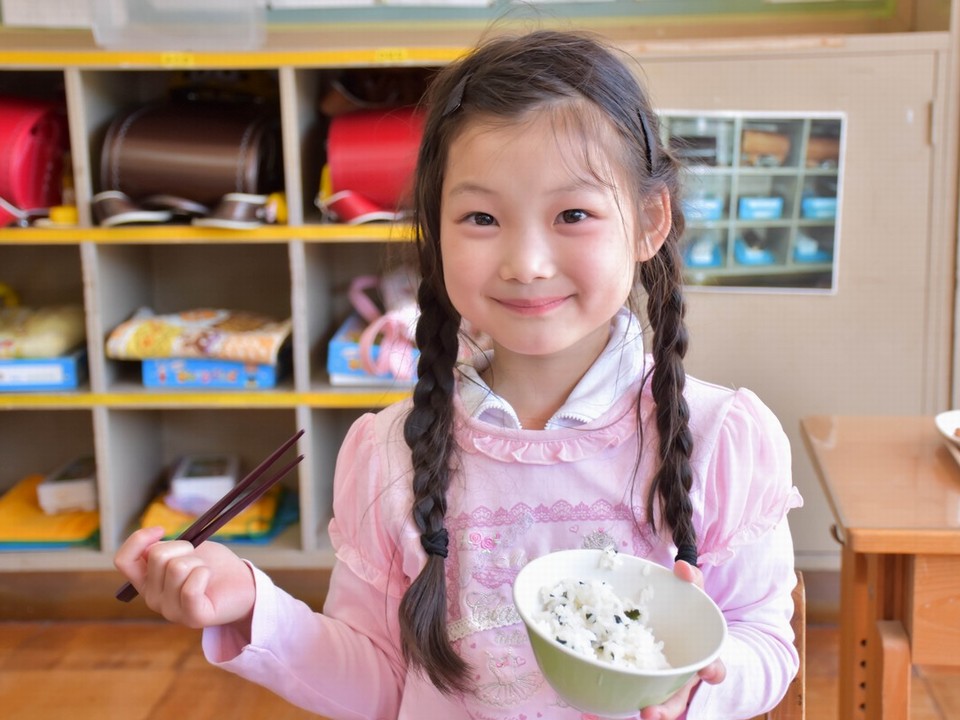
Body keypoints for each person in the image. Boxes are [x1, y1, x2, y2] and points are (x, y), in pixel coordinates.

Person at [115, 28, 803, 720]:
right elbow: (381, 684)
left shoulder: (722, 439)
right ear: (434, 231)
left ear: (651, 221)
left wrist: (697, 686)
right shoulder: (389, 454)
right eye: (481, 217)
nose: (526, 263)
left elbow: (765, 642)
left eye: (573, 214)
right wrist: (251, 605)